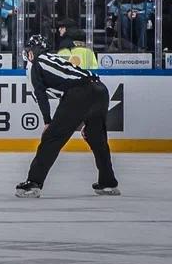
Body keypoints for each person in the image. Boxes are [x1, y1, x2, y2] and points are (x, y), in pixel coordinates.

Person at [16, 34, 120, 198]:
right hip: (100, 89)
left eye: (28, 51)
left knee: (51, 139)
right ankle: (108, 183)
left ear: (32, 52)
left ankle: (33, 183)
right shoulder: (55, 57)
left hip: (79, 93)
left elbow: (41, 95)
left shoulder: (36, 64)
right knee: (97, 139)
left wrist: (47, 122)